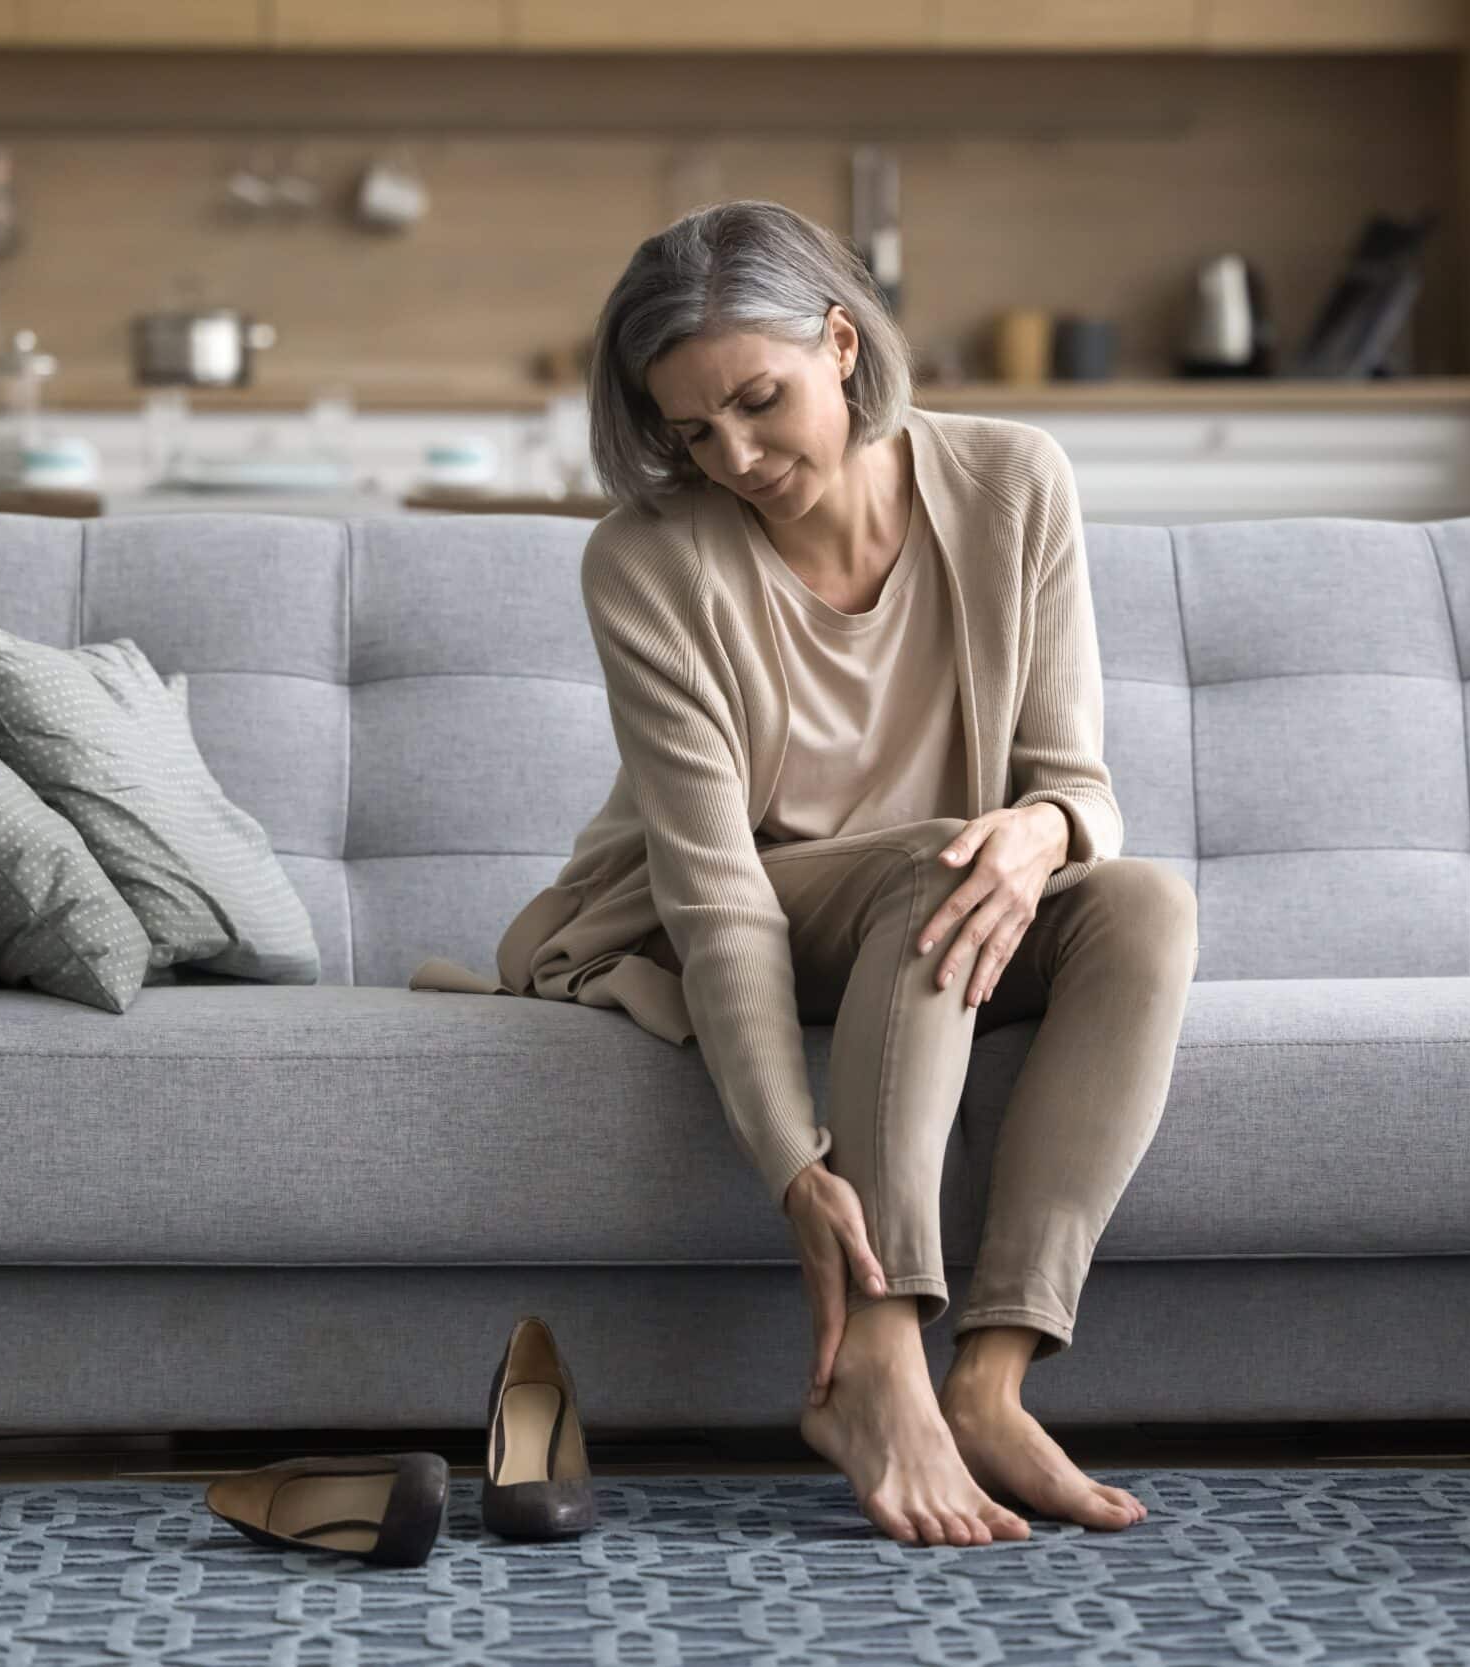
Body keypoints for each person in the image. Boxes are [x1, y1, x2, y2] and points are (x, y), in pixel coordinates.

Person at [499, 199, 1198, 1548]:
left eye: (762, 402)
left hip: (945, 896)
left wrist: (1049, 831)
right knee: (941, 867)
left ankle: (991, 1382)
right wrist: (788, 1162)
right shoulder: (647, 563)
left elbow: (1072, 779)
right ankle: (877, 1368)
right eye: (695, 432)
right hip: (763, 901)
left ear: (839, 340)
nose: (740, 456)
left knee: (1142, 905)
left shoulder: (1012, 481)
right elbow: (715, 896)